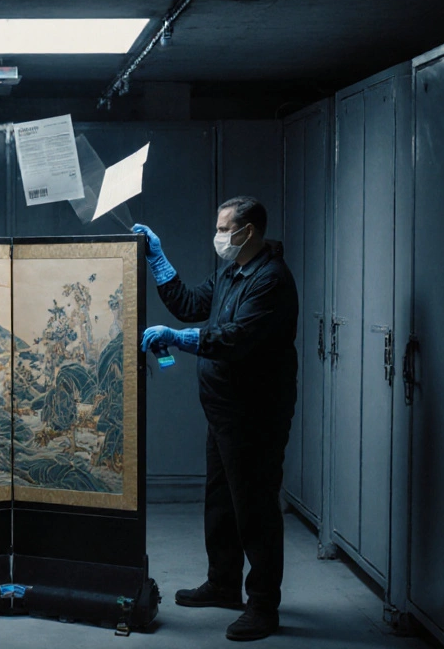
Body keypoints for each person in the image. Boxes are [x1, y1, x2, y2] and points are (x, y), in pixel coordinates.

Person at [133, 196, 298, 642]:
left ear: (249, 231)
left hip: (255, 414)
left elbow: (234, 338)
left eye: (225, 229)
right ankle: (224, 583)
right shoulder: (231, 271)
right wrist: (158, 259)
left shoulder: (270, 280)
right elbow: (190, 305)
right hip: (223, 409)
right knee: (221, 502)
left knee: (255, 509)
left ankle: (262, 605)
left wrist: (178, 338)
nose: (219, 236)